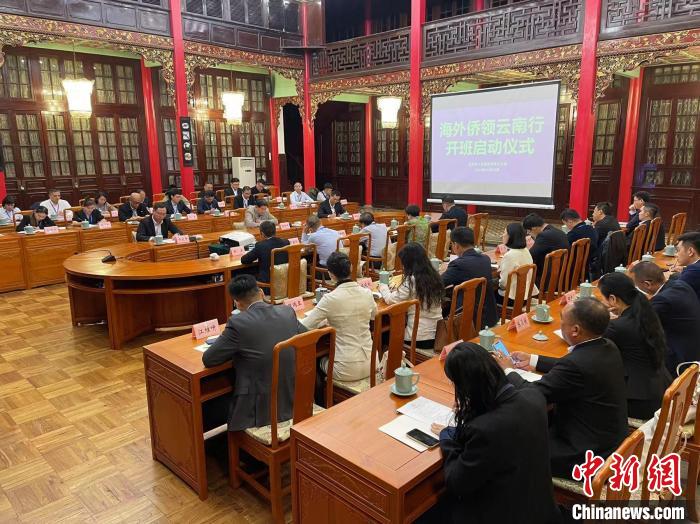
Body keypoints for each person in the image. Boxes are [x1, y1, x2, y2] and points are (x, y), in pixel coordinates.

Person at [421, 343, 560, 524]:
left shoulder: (484, 429)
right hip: (542, 510)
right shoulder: (534, 397)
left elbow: (457, 482)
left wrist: (447, 435)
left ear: (465, 386)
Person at [500, 298, 628, 478]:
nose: (560, 325)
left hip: (583, 454)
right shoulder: (608, 346)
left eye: (562, 322)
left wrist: (507, 370)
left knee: (505, 444)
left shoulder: (576, 364)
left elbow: (532, 395)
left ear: (575, 330)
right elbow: (571, 365)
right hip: (609, 441)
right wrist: (533, 360)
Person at [202, 275, 306, 432]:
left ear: (237, 303)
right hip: (294, 398)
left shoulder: (238, 323)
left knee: (213, 405)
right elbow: (307, 335)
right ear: (261, 293)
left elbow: (209, 359)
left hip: (261, 412)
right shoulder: (287, 312)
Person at [598, 272, 669, 419]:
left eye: (603, 298)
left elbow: (591, 342)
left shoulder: (618, 327)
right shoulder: (645, 311)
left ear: (613, 299)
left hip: (639, 402)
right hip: (660, 387)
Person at [301, 252, 377, 382]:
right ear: (351, 268)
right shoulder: (367, 293)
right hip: (373, 362)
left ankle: (324, 395)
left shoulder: (330, 299)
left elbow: (305, 326)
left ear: (330, 274)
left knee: (317, 360)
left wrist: (324, 320)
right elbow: (374, 316)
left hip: (346, 369)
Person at [631, 261, 700, 374]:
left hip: (679, 360)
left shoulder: (663, 299)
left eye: (636, 285)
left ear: (647, 284)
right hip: (693, 349)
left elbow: (638, 323)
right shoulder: (681, 285)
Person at [379, 243, 444, 350]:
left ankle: (391, 359)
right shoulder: (434, 275)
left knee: (383, 335)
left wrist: (383, 286)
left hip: (418, 338)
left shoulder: (412, 280)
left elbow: (390, 300)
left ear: (409, 263)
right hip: (438, 334)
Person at [441, 227, 497, 328]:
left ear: (456, 245)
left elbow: (438, 283)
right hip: (488, 317)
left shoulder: (458, 264)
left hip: (467, 320)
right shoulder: (485, 259)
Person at [497, 223, 538, 303]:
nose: (502, 235)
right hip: (525, 295)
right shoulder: (526, 250)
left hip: (512, 298)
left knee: (487, 290)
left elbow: (504, 284)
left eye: (504, 233)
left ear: (511, 236)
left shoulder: (510, 255)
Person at [522, 213, 569, 281]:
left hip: (549, 277)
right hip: (561, 272)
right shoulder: (556, 230)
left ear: (534, 228)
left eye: (528, 231)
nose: (528, 233)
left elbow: (531, 255)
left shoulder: (543, 235)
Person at [241, 221, 290, 285]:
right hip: (285, 281)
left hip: (267, 284)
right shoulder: (286, 242)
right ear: (275, 231)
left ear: (262, 233)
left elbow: (244, 260)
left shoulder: (260, 245)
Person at [560, 208, 598, 276]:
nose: (567, 227)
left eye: (565, 224)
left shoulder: (573, 234)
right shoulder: (591, 228)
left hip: (576, 269)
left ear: (570, 221)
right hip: (590, 263)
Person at [673, 231, 700, 301]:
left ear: (690, 251)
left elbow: (673, 293)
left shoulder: (694, 271)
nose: (676, 254)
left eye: (678, 250)